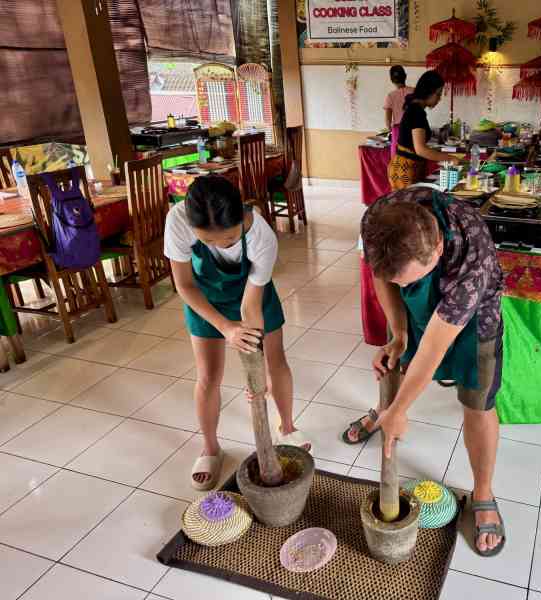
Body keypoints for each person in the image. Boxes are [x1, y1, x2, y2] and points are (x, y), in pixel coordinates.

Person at [345, 186, 506, 556]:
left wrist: (401, 410)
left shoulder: (472, 256)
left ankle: (483, 492)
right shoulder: (378, 219)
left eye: (409, 280)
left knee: (478, 400)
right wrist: (400, 332)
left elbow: (434, 347)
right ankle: (383, 412)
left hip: (477, 316)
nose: (402, 286)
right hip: (419, 293)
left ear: (438, 248)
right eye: (401, 282)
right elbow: (382, 275)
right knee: (397, 359)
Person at [165, 175, 309, 491]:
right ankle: (210, 448)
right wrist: (225, 327)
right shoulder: (177, 221)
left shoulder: (261, 236)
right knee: (208, 376)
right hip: (204, 299)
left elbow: (250, 306)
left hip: (252, 297)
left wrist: (254, 374)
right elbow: (184, 284)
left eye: (229, 239)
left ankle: (286, 427)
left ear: (241, 218)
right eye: (208, 240)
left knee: (275, 361)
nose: (220, 245)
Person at [388, 70, 459, 190]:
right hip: (405, 170)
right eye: (438, 94)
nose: (439, 99)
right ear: (428, 91)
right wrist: (450, 158)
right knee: (407, 202)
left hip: (405, 166)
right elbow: (421, 149)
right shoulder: (417, 112)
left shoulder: (415, 108)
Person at [383, 65, 414, 157]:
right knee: (412, 157)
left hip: (398, 130)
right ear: (405, 76)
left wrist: (390, 129)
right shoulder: (415, 92)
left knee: (397, 158)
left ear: (391, 80)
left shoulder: (391, 96)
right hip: (414, 129)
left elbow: (387, 122)